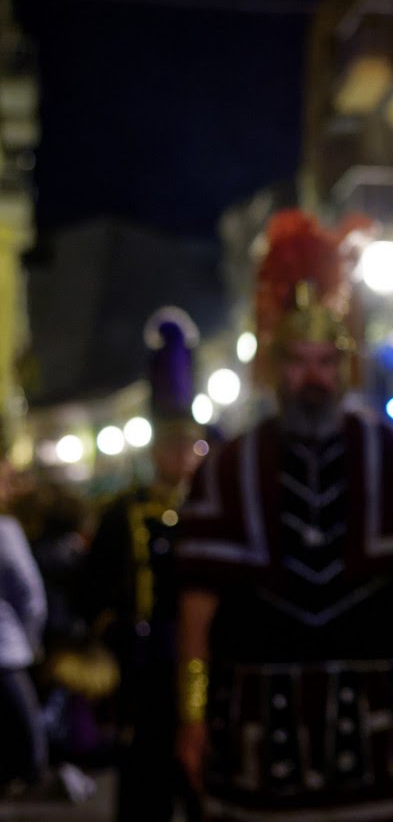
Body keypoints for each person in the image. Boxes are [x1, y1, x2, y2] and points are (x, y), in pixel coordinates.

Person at [173, 211, 393, 822]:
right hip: (257, 742)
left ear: (346, 365)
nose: (313, 378)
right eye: (298, 361)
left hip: (373, 739)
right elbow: (197, 612)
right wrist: (190, 716)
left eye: (327, 360)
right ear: (274, 366)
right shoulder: (228, 469)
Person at [79, 307, 208, 820]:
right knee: (144, 792)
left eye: (190, 443)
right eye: (173, 443)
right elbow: (94, 589)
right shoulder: (124, 512)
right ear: (155, 448)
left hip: (199, 668)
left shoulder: (210, 508)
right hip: (145, 671)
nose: (183, 454)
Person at [0, 456, 47, 793]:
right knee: (28, 747)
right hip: (6, 654)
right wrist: (32, 640)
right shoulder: (5, 530)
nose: (11, 488)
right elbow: (30, 595)